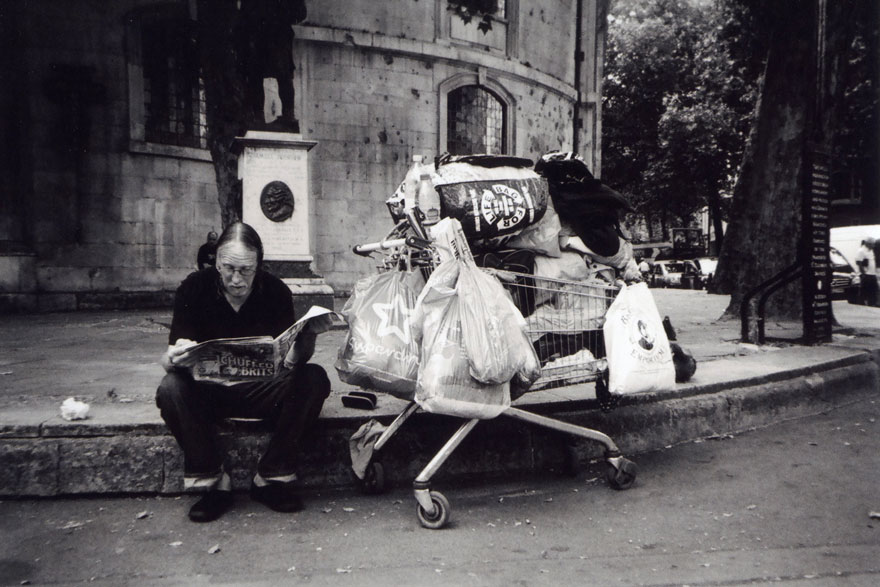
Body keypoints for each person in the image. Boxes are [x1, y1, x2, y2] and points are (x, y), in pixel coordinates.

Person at [157, 222, 331, 522]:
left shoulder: (275, 291)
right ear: (217, 262)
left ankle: (272, 477)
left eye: (246, 270)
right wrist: (174, 357)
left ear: (258, 265)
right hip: (208, 393)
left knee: (314, 379)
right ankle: (213, 483)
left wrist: (309, 336)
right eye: (228, 268)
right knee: (170, 388)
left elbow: (291, 363)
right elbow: (169, 358)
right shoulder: (194, 288)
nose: (236, 279)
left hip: (261, 391)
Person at [854, 237, 877, 306]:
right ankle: (861, 304)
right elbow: (858, 262)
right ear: (868, 244)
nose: (874, 246)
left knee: (873, 290)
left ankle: (872, 304)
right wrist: (863, 273)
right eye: (872, 244)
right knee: (864, 291)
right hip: (866, 274)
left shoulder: (870, 251)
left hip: (872, 274)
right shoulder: (861, 251)